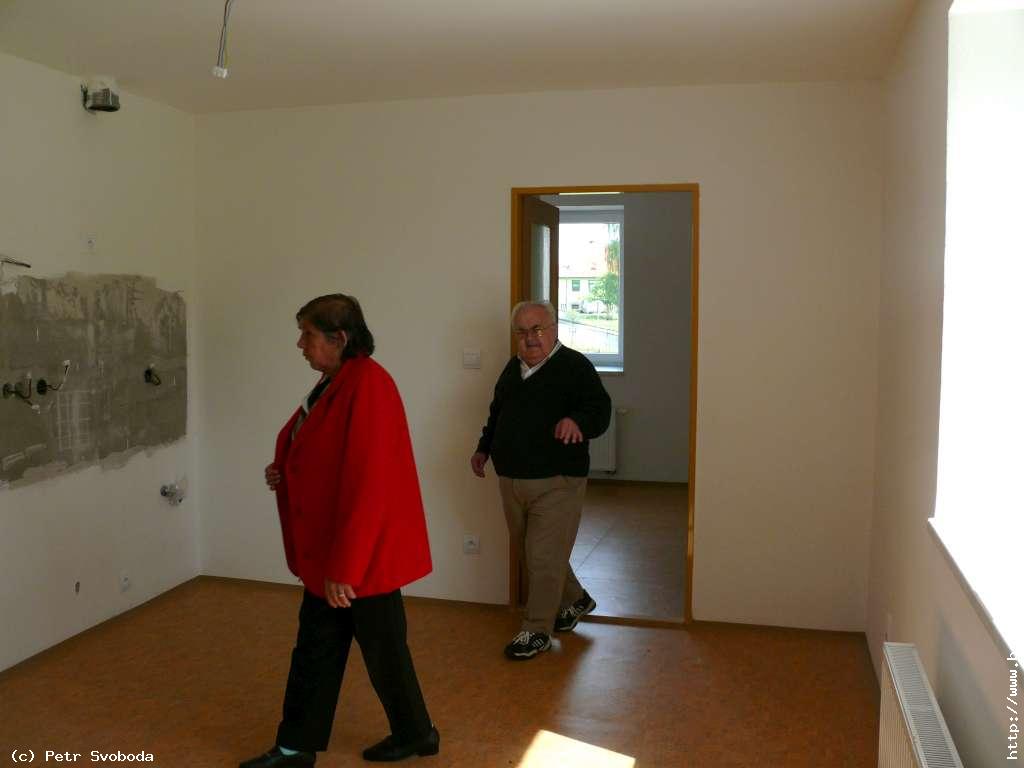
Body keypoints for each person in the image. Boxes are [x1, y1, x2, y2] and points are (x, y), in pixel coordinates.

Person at [241, 294, 439, 767]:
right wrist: (286, 468)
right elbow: (325, 452)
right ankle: (299, 745)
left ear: (339, 338)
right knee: (324, 648)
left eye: (307, 334)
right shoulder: (336, 381)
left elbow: (370, 484)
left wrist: (345, 569)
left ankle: (413, 732)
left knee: (379, 652)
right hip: (339, 552)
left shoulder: (369, 386)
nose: (300, 344)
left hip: (362, 557)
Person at [471, 300, 611, 660]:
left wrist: (577, 422)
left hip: (557, 480)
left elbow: (600, 411)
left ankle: (537, 630)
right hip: (512, 479)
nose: (529, 338)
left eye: (537, 329)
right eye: (521, 331)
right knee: (531, 551)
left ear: (554, 329)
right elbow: (497, 413)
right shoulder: (512, 368)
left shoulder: (575, 366)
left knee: (543, 556)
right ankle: (576, 599)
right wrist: (484, 448)